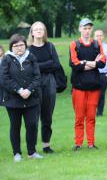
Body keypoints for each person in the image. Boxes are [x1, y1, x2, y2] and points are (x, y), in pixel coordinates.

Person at [1, 34, 43, 161]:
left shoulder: (31, 57)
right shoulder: (7, 59)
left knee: (32, 125)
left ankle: (32, 152)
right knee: (15, 126)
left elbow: (37, 77)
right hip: (13, 100)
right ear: (11, 47)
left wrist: (29, 90)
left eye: (22, 45)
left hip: (31, 98)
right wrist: (19, 90)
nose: (19, 48)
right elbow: (4, 79)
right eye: (16, 45)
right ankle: (17, 153)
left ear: (25, 45)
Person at [69, 18, 106, 150]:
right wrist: (92, 63)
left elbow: (102, 63)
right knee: (79, 117)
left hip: (94, 87)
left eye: (89, 28)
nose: (87, 31)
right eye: (84, 28)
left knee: (91, 117)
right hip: (78, 87)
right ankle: (78, 143)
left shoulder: (97, 44)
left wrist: (85, 62)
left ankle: (91, 143)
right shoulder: (74, 45)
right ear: (80, 29)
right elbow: (74, 64)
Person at [27, 21, 61, 153]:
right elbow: (29, 68)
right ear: (32, 32)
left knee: (47, 116)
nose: (39, 31)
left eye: (41, 29)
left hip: (49, 83)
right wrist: (47, 64)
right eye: (36, 29)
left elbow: (56, 65)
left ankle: (46, 145)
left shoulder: (50, 47)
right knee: (33, 117)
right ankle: (33, 147)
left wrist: (38, 65)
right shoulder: (28, 49)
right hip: (34, 84)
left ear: (45, 31)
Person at [94, 29, 107, 117]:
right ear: (94, 37)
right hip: (93, 73)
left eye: (100, 35)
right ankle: (92, 110)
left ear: (103, 36)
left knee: (101, 93)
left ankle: (99, 112)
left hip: (104, 74)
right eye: (97, 35)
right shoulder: (91, 48)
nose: (99, 37)